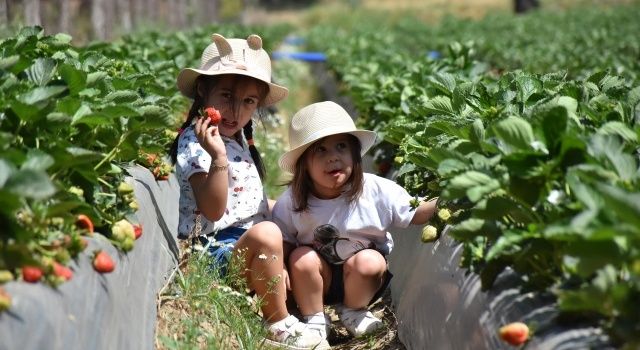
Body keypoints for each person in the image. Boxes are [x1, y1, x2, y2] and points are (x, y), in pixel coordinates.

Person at [169, 33, 329, 350]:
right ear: (203, 90)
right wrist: (218, 158)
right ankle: (277, 324)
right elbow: (214, 211)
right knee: (269, 232)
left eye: (248, 102)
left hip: (241, 244)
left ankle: (311, 313)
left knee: (292, 223)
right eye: (226, 95)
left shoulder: (236, 139)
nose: (236, 110)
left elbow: (246, 203)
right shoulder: (198, 144)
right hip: (214, 251)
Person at [272, 101, 439, 342]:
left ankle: (354, 312)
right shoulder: (293, 201)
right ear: (303, 165)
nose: (333, 158)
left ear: (354, 153)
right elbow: (284, 241)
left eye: (341, 146)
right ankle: (315, 319)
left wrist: (448, 198)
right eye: (320, 150)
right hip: (316, 281)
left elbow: (415, 211)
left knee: (370, 261)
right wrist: (284, 270)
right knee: (301, 258)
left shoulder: (375, 189)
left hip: (364, 280)